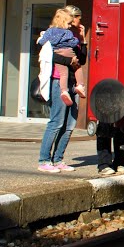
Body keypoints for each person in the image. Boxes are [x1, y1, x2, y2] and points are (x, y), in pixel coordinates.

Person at [37, 9, 81, 173]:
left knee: (70, 124)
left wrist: (80, 43)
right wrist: (71, 60)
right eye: (70, 22)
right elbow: (50, 57)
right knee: (56, 122)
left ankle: (58, 159)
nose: (72, 24)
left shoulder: (71, 38)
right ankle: (44, 160)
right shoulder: (50, 37)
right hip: (57, 82)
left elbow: (81, 58)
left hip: (72, 82)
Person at [37, 10, 86, 106]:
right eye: (69, 23)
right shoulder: (67, 32)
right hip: (68, 53)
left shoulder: (50, 31)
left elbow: (42, 42)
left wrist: (41, 38)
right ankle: (80, 85)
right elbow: (73, 43)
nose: (70, 25)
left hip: (57, 51)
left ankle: (64, 91)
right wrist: (77, 40)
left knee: (63, 73)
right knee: (78, 67)